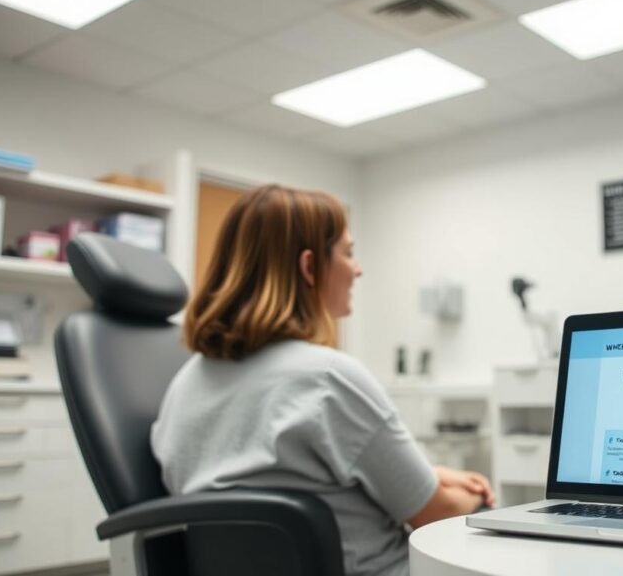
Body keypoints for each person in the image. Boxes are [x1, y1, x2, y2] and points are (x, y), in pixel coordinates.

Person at [151, 185, 494, 576]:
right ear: (310, 267)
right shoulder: (327, 379)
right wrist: (477, 497)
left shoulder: (183, 384)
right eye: (348, 253)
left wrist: (431, 474)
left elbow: (276, 478)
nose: (358, 268)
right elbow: (437, 515)